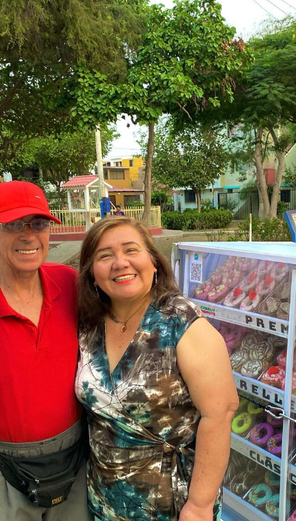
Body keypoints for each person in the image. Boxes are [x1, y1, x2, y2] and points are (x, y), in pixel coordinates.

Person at [0, 181, 91, 521]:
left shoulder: (69, 285)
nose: (28, 236)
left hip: (74, 462)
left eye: (37, 224)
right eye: (12, 225)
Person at [76, 216, 239, 521]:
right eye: (105, 255)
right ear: (92, 273)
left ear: (153, 262)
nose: (120, 262)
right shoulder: (89, 325)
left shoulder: (182, 323)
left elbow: (220, 413)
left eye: (131, 250)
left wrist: (200, 505)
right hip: (104, 502)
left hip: (172, 505)